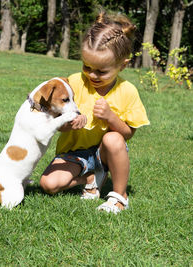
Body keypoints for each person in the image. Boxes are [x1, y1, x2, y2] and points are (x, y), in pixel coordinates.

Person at [40, 12, 150, 214]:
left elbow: (127, 135)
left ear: (122, 65)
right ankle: (90, 179)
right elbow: (54, 122)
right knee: (49, 184)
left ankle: (119, 197)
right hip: (74, 152)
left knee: (113, 139)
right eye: (87, 67)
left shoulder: (127, 91)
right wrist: (67, 123)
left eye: (101, 71)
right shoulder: (73, 82)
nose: (92, 75)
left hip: (104, 153)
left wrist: (111, 117)